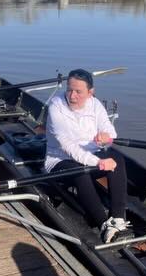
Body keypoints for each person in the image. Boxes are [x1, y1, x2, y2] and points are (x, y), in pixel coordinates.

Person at [44, 69, 130, 242]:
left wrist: (106, 137)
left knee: (118, 160)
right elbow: (69, 148)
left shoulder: (95, 104)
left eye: (78, 91)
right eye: (69, 89)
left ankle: (118, 218)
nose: (72, 95)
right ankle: (103, 225)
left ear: (91, 92)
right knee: (80, 171)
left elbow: (109, 130)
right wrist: (98, 162)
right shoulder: (56, 106)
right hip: (60, 161)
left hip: (91, 157)